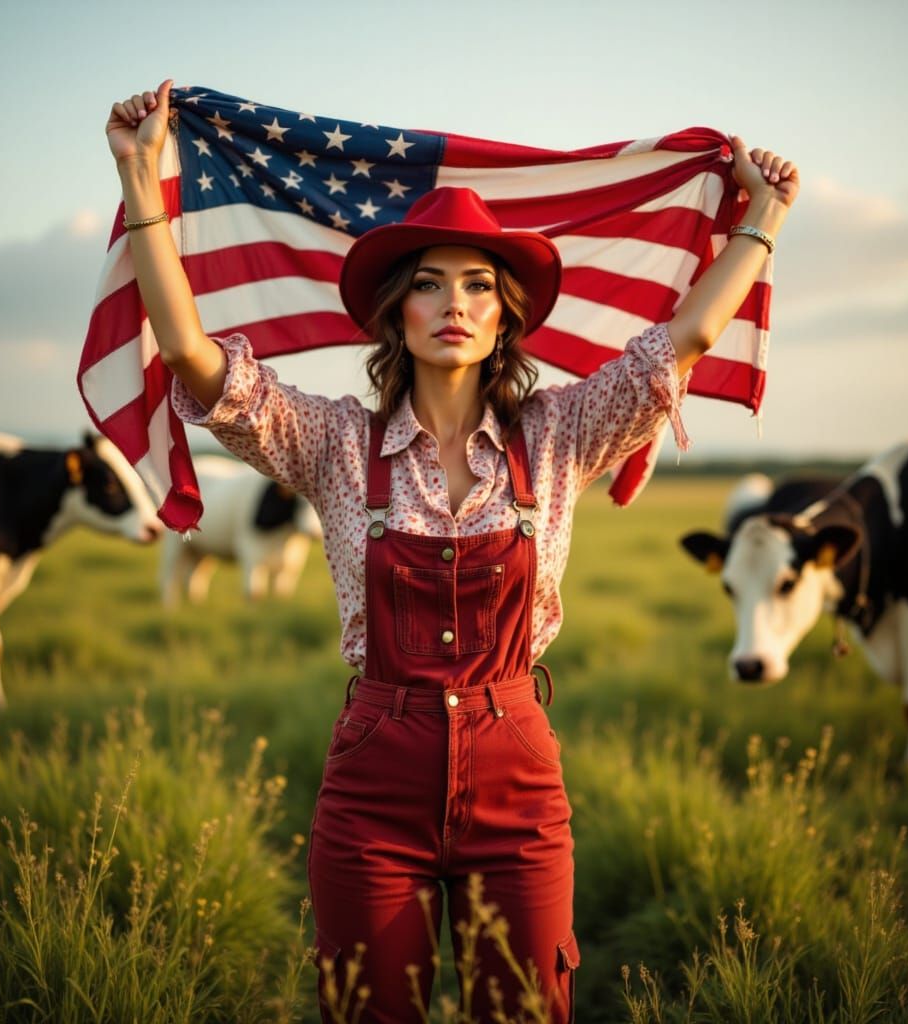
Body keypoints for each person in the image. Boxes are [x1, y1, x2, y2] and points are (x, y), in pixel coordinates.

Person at [106, 80, 799, 1023]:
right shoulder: (332, 443)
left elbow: (689, 335)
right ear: (394, 313)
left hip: (517, 777)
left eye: (478, 285)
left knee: (522, 1010)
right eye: (427, 283)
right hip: (371, 787)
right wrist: (140, 177)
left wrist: (763, 217)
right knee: (368, 1012)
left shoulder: (562, 435)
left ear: (507, 316)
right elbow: (190, 355)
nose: (454, 304)